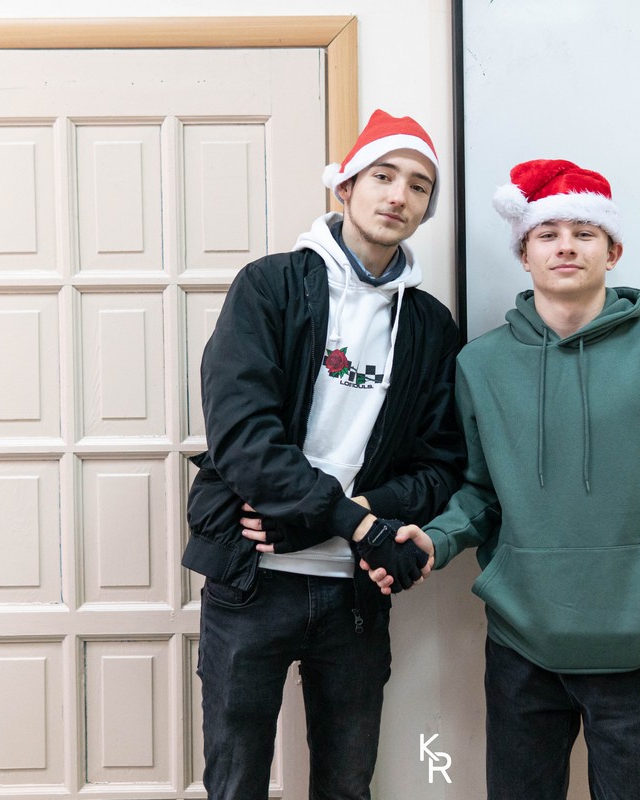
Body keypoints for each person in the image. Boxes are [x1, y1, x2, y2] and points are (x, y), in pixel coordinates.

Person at [369, 159, 640, 799]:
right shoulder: (480, 363)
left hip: (635, 647)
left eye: (584, 233)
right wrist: (437, 540)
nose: (566, 246)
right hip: (521, 646)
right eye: (548, 234)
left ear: (613, 252)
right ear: (524, 254)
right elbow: (481, 492)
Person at [182, 109, 463, 800]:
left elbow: (440, 467)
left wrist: (352, 517)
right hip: (252, 582)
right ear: (345, 186)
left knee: (346, 786)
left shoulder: (429, 326)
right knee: (236, 783)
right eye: (384, 176)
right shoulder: (270, 287)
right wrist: (359, 523)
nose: (399, 195)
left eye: (419, 186)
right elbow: (243, 439)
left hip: (356, 594)